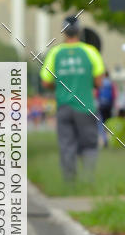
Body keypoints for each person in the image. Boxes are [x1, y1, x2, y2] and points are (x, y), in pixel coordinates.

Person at [40, 15, 105, 181]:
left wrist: (61, 84)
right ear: (79, 31)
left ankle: (69, 183)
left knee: (66, 145)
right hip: (85, 106)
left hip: (63, 106)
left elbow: (46, 82)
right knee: (89, 144)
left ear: (63, 32)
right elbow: (99, 81)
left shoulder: (55, 53)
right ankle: (88, 180)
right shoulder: (91, 52)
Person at [97, 71, 116, 147]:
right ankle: (108, 140)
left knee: (102, 123)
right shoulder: (111, 84)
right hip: (109, 106)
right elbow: (114, 95)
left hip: (101, 105)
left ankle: (103, 140)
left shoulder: (100, 83)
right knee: (109, 123)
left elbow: (97, 94)